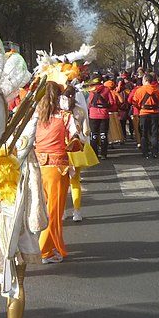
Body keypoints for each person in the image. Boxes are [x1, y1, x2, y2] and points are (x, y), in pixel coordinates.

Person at [36, 81, 79, 263]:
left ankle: (47, 247)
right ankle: (45, 250)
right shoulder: (65, 117)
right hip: (57, 168)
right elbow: (76, 139)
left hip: (38, 167)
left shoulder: (34, 116)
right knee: (53, 211)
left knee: (41, 209)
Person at [62, 84, 95, 222]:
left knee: (63, 184)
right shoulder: (81, 111)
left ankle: (63, 211)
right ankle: (77, 212)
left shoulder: (61, 113)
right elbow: (87, 131)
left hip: (63, 148)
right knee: (75, 182)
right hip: (77, 147)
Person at [132, 73, 159, 159]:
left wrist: (140, 107)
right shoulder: (157, 90)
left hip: (144, 113)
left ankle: (145, 152)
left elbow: (134, 102)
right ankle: (155, 152)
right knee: (154, 133)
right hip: (155, 113)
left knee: (143, 133)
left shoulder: (139, 90)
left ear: (146, 80)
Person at [86, 76, 117, 159]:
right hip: (104, 115)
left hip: (93, 115)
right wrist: (106, 107)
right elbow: (112, 102)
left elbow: (88, 103)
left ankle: (94, 154)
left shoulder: (91, 91)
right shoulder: (106, 90)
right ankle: (103, 154)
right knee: (103, 134)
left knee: (94, 135)